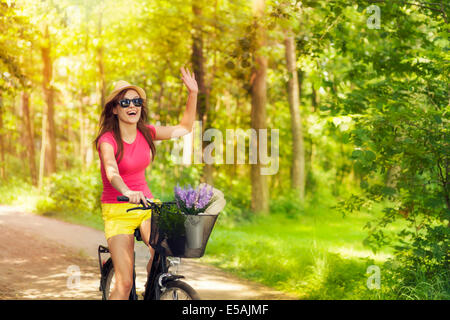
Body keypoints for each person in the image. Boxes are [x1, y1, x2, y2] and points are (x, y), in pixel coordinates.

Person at [94, 67, 198, 300]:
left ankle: (154, 290)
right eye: (125, 102)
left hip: (146, 204)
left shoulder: (147, 132)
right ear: (114, 109)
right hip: (117, 208)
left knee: (163, 252)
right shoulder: (107, 140)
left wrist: (193, 94)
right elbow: (111, 171)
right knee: (124, 283)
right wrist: (126, 191)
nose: (132, 106)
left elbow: (185, 128)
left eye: (136, 101)